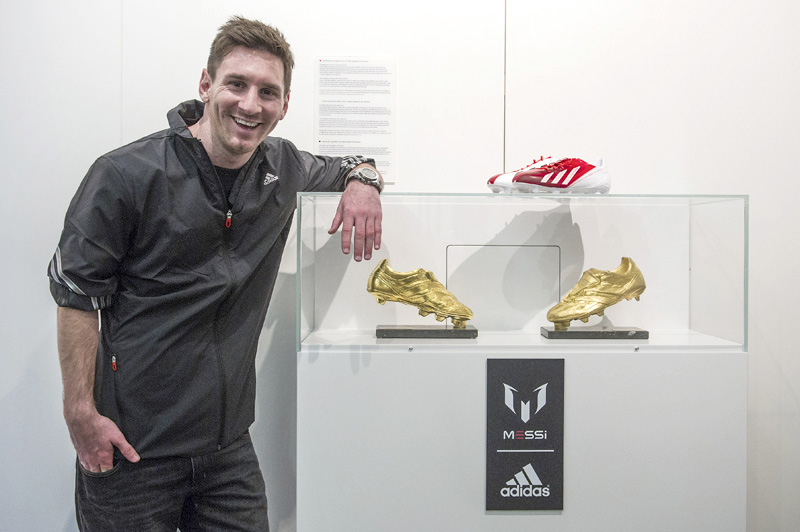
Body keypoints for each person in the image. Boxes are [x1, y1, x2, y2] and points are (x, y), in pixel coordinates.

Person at [48, 16, 383, 531]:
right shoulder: (125, 174)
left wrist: (365, 181)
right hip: (132, 450)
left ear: (284, 106)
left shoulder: (282, 167)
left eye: (268, 92)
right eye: (237, 84)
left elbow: (353, 163)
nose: (251, 104)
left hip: (227, 454)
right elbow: (76, 294)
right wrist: (79, 413)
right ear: (206, 84)